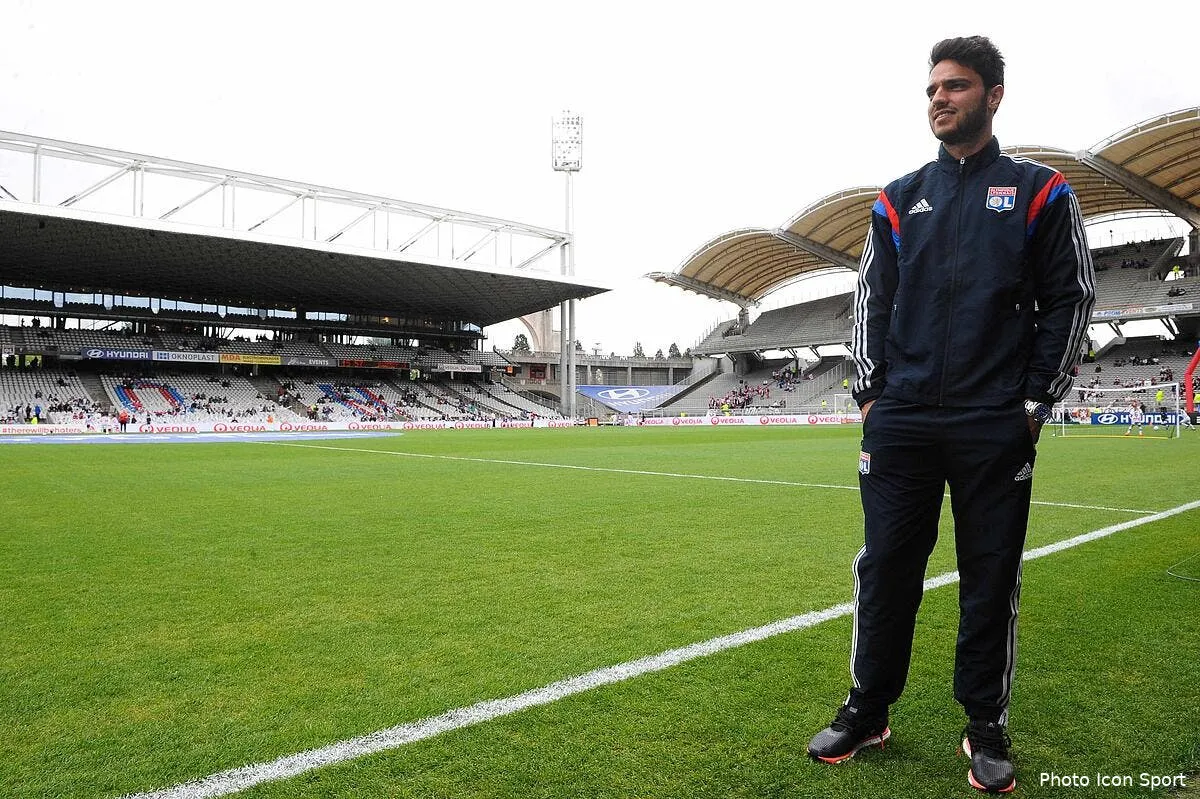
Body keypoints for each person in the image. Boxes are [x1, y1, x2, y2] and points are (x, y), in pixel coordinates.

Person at [806, 36, 1096, 795]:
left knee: (989, 576)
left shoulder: (1040, 191)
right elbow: (870, 301)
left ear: (993, 95)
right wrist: (872, 395)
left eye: (956, 86)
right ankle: (868, 708)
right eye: (932, 88)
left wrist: (1035, 402)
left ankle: (986, 724)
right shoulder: (897, 200)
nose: (939, 98)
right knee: (885, 569)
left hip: (992, 419)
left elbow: (1074, 299)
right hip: (901, 417)